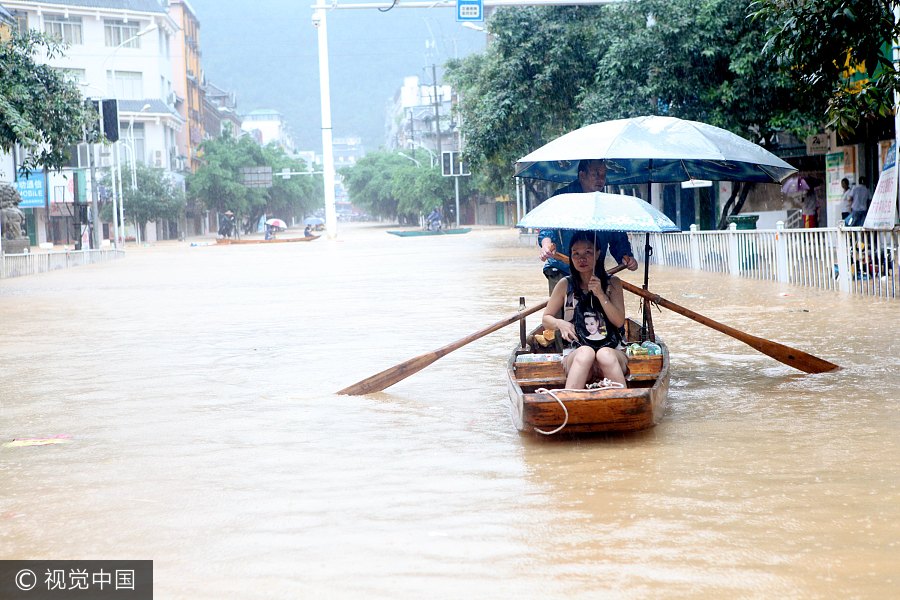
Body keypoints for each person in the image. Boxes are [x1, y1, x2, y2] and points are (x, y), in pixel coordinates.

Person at [541, 230, 628, 389]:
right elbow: (546, 319)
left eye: (588, 252)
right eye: (576, 253)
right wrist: (560, 323)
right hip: (576, 353)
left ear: (598, 253)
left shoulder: (613, 283)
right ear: (570, 256)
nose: (582, 259)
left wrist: (601, 294)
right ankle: (569, 400)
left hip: (613, 351)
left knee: (604, 354)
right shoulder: (565, 284)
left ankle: (626, 400)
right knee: (586, 352)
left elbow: (619, 321)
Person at [538, 159, 639, 295]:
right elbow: (548, 227)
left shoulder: (607, 205)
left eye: (603, 175)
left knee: (597, 305)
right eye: (595, 174)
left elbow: (618, 238)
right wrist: (546, 245)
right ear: (582, 175)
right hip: (563, 267)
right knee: (562, 307)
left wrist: (626, 257)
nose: (600, 179)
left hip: (593, 270)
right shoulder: (563, 197)